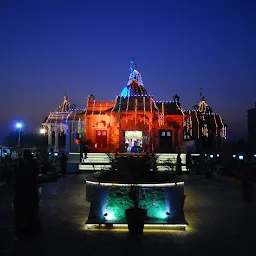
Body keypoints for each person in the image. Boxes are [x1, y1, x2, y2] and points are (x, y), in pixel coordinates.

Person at [13, 149, 41, 239]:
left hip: (23, 191)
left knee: (24, 210)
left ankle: (24, 227)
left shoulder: (21, 165)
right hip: (30, 190)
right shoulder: (33, 164)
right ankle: (30, 226)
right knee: (31, 209)